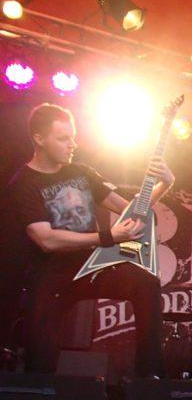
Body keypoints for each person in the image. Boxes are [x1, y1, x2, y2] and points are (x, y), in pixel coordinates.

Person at [6, 103, 175, 377]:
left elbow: (131, 210)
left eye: (73, 137)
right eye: (63, 138)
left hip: (90, 268)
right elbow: (46, 239)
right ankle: (42, 394)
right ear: (39, 139)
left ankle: (149, 378)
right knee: (40, 360)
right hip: (50, 275)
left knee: (145, 282)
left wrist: (165, 184)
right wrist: (108, 237)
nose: (72, 144)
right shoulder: (24, 183)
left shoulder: (81, 173)